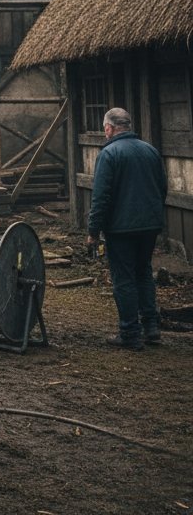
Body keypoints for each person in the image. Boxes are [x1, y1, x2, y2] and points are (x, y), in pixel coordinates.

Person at [86, 107, 168, 350]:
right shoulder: (150, 151)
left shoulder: (109, 154)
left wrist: (93, 232)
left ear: (109, 128)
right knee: (144, 273)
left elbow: (100, 198)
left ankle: (130, 333)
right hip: (149, 225)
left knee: (124, 279)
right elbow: (162, 188)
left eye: (104, 128)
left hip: (121, 229)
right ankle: (151, 327)